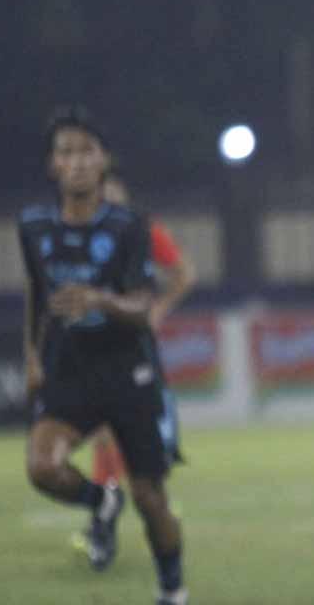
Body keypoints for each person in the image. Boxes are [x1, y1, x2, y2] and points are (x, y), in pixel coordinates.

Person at [19, 106, 187, 605]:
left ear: (104, 160)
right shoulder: (31, 227)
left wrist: (99, 300)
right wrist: (31, 353)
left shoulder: (131, 227)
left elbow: (141, 305)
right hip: (70, 367)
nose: (76, 162)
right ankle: (101, 501)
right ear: (53, 164)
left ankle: (172, 591)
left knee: (151, 499)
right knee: (42, 468)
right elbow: (35, 291)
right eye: (66, 152)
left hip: (127, 371)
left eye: (86, 151)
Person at [85, 174, 196, 491]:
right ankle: (107, 503)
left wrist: (159, 310)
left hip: (133, 341)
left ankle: (123, 499)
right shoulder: (83, 236)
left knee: (125, 425)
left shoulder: (146, 231)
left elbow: (184, 274)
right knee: (103, 428)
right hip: (93, 340)